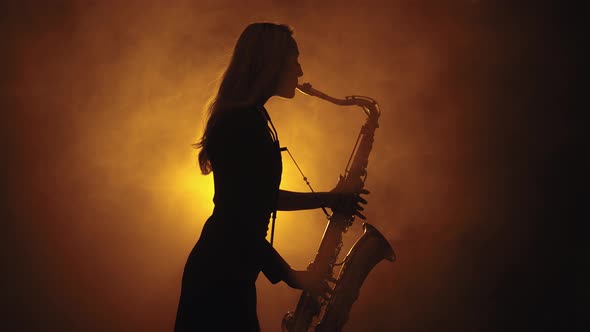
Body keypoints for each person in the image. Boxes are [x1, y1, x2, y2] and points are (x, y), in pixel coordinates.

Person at [174, 22, 368, 332]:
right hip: (221, 278)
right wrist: (293, 276)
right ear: (270, 64)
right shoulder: (241, 124)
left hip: (227, 273)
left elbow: (259, 197)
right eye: (294, 62)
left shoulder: (252, 118)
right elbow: (235, 219)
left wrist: (331, 199)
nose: (301, 71)